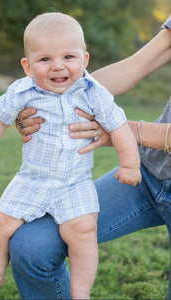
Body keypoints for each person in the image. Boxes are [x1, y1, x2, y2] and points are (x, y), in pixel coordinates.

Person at [0, 12, 141, 299]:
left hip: (75, 183)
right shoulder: (22, 91)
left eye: (68, 57)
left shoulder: (94, 93)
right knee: (0, 222)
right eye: (45, 59)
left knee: (83, 232)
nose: (57, 66)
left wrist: (130, 164)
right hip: (32, 179)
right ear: (27, 65)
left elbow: (119, 127)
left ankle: (81, 290)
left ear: (84, 60)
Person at [9, 15, 171, 299]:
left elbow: (122, 129)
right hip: (148, 174)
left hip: (139, 160)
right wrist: (41, 98)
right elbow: (135, 65)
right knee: (31, 246)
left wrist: (123, 129)